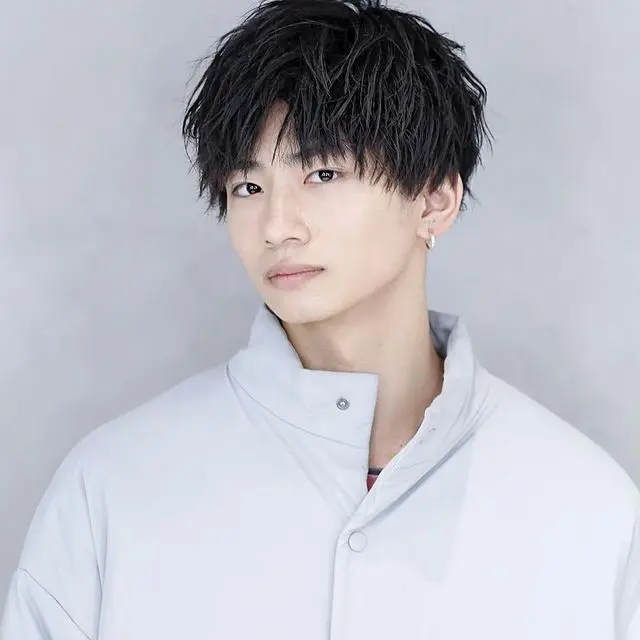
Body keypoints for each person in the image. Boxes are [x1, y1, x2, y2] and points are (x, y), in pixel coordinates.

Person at [2, 0, 639, 638]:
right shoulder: (112, 488)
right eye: (248, 187)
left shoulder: (587, 509)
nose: (277, 226)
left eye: (322, 173)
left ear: (435, 198)